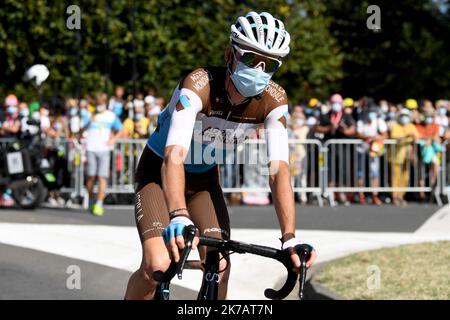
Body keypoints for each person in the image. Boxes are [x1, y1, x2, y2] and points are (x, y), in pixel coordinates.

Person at [125, 11, 316, 300]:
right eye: (252, 59)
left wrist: (289, 236)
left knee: (220, 267)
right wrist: (178, 214)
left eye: (271, 65)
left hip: (203, 181)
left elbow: (278, 171)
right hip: (158, 175)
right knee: (157, 266)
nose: (260, 69)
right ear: (230, 54)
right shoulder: (198, 85)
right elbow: (174, 156)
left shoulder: (275, 101)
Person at [82, 92, 124, 216]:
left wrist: (113, 139)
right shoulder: (89, 114)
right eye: (98, 103)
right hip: (91, 148)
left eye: (101, 103)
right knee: (91, 176)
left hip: (104, 149)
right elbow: (80, 130)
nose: (99, 105)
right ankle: (90, 199)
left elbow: (121, 129)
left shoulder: (111, 116)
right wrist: (89, 121)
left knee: (102, 177)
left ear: (105, 103)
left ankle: (99, 204)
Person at [314, 93, 356, 205]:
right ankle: (329, 194)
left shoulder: (346, 116)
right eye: (334, 103)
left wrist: (344, 129)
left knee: (343, 170)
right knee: (330, 170)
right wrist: (329, 128)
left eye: (338, 103)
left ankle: (341, 194)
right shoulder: (325, 115)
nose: (336, 105)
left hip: (343, 148)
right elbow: (316, 128)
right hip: (330, 148)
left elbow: (352, 129)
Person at [356, 106, 388, 205]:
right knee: (360, 173)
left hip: (374, 150)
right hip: (362, 149)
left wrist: (377, 138)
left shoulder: (379, 121)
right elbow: (358, 133)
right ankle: (361, 195)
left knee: (374, 172)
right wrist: (368, 137)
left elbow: (385, 134)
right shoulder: (361, 122)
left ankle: (375, 195)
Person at [390, 109, 420, 205]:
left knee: (405, 178)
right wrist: (406, 136)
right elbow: (394, 137)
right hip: (396, 156)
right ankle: (395, 196)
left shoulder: (411, 126)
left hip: (407, 157)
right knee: (395, 177)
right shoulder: (396, 126)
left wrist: (412, 137)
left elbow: (417, 137)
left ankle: (401, 196)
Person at [416, 109, 442, 201]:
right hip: (421, 152)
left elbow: (437, 137)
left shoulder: (435, 126)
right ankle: (421, 194)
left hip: (432, 152)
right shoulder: (419, 126)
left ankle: (433, 187)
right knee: (421, 172)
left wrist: (430, 139)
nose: (429, 118)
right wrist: (429, 138)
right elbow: (417, 136)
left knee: (436, 166)